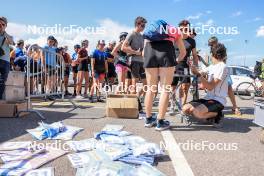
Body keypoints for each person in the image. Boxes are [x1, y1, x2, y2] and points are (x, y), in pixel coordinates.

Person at [143, 20, 186, 131]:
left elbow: (143, 53)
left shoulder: (150, 31)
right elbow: (183, 52)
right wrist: (175, 61)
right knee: (165, 88)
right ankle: (160, 122)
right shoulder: (174, 30)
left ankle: (148, 119)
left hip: (149, 50)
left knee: (151, 88)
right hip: (166, 51)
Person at [182, 43, 228, 128]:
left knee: (196, 112)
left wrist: (199, 75)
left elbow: (210, 86)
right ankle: (208, 115)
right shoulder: (212, 66)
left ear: (213, 54)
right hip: (208, 98)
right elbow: (200, 72)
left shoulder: (222, 67)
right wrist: (192, 67)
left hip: (218, 100)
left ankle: (218, 114)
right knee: (185, 109)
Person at [208, 36, 242, 115]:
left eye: (212, 44)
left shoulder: (221, 50)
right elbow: (210, 65)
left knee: (229, 88)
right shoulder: (211, 52)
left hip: (222, 72)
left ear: (215, 42)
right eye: (210, 44)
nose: (211, 45)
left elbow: (223, 62)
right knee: (211, 89)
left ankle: (234, 106)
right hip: (213, 71)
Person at [171, 20, 199, 108]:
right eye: (182, 29)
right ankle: (173, 105)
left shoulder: (192, 41)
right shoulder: (174, 39)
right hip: (173, 66)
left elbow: (194, 55)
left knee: (185, 87)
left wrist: (196, 67)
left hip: (185, 67)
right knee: (172, 87)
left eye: (186, 28)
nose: (184, 30)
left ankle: (182, 106)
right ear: (179, 29)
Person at [121, 16, 147, 112]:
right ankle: (132, 108)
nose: (144, 27)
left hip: (142, 62)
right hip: (134, 61)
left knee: (147, 85)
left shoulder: (141, 36)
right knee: (134, 85)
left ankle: (136, 100)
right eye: (142, 25)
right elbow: (123, 48)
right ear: (137, 24)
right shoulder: (131, 34)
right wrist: (136, 52)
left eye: (145, 25)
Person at [0, 16, 14, 100]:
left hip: (5, 61)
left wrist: (3, 31)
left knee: (2, 81)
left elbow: (11, 42)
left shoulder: (8, 36)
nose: (0, 25)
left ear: (6, 25)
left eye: (3, 24)